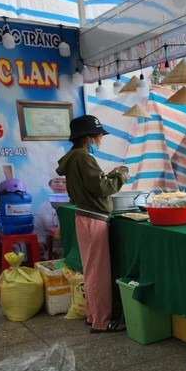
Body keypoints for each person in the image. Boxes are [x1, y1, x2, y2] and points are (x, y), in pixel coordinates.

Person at [56, 115, 129, 333]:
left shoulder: (74, 157)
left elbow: (92, 184)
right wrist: (121, 176)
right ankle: (102, 321)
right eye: (98, 135)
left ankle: (93, 315)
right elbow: (102, 188)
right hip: (93, 219)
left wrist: (109, 176)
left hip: (85, 217)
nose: (100, 139)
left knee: (91, 271)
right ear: (88, 137)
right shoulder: (83, 158)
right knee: (98, 273)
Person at [34, 176, 66, 259]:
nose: (60, 185)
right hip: (52, 251)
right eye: (56, 181)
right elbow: (39, 229)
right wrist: (40, 243)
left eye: (64, 182)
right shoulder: (43, 207)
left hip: (74, 248)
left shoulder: (76, 204)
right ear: (50, 185)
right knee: (56, 269)